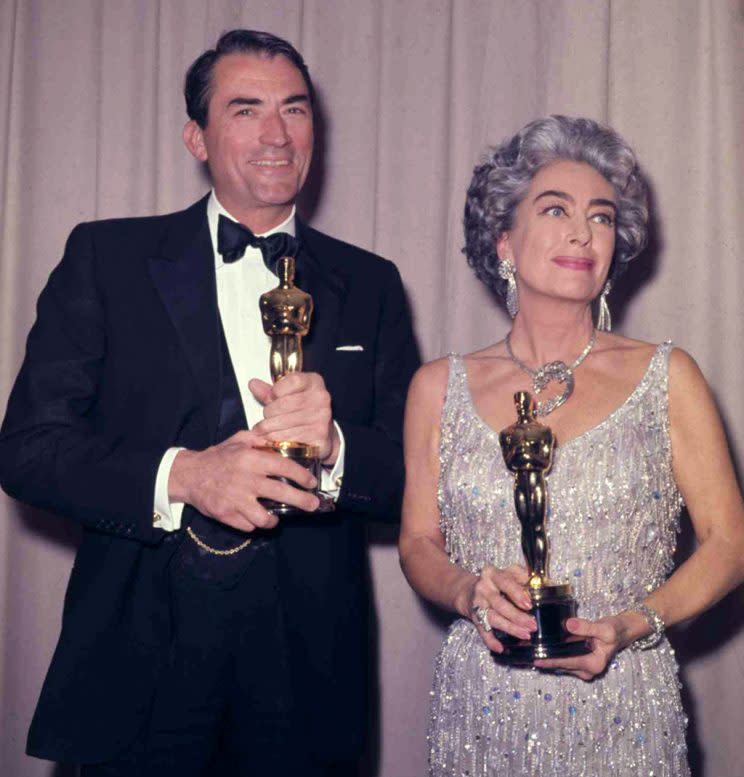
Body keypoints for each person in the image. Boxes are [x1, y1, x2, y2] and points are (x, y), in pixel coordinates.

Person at [0, 29, 419, 776]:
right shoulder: (106, 259)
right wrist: (184, 476)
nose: (276, 134)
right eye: (245, 110)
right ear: (196, 135)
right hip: (138, 665)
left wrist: (336, 449)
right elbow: (29, 448)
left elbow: (408, 476)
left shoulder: (375, 283)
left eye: (294, 109)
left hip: (309, 680)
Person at [399, 115, 744, 776]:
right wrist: (470, 590)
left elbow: (730, 543)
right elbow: (417, 543)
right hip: (483, 709)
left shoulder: (668, 377)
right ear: (504, 238)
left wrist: (630, 624)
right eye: (555, 209)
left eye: (602, 216)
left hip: (624, 707)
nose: (583, 233)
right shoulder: (436, 387)